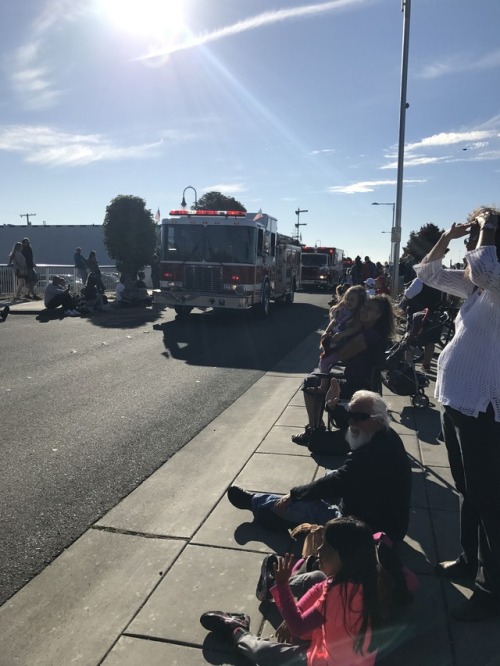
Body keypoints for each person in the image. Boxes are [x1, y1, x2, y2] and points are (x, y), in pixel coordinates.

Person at [414, 207, 500, 622]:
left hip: (485, 407)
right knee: (468, 489)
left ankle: (490, 589)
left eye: (473, 241)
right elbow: (428, 273)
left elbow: (485, 269)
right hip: (457, 400)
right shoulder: (475, 288)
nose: (468, 249)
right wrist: (447, 235)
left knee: (488, 501)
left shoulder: (494, 284)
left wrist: (488, 225)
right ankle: (469, 560)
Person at [228, 390, 411, 543]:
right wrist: (333, 408)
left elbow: (335, 483)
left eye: (359, 417)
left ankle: (256, 503)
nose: (352, 422)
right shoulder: (384, 434)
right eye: (350, 415)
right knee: (328, 476)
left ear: (378, 419)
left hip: (368, 532)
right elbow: (350, 431)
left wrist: (293, 494)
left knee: (308, 502)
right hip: (386, 523)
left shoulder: (371, 455)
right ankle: (276, 510)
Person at [200, 517, 383, 666]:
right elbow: (321, 587)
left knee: (260, 652)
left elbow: (298, 626)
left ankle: (236, 629)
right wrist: (292, 614)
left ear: (345, 556)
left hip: (324, 661)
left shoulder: (339, 594)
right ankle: (270, 588)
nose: (319, 549)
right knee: (318, 576)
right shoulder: (360, 578)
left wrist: (283, 586)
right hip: (334, 640)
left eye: (326, 546)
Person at [292, 295, 395, 445]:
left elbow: (342, 355)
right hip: (361, 379)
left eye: (369, 309)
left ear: (379, 315)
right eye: (364, 307)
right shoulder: (374, 332)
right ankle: (316, 427)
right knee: (317, 377)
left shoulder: (368, 335)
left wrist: (337, 338)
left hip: (357, 383)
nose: (363, 311)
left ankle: (315, 430)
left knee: (310, 382)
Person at [317, 286, 367, 391]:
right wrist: (326, 331)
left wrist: (342, 334)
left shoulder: (358, 315)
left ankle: (323, 386)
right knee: (324, 358)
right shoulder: (342, 310)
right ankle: (323, 383)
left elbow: (355, 328)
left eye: (352, 300)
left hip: (347, 346)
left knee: (324, 361)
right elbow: (334, 321)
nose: (349, 301)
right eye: (347, 298)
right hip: (337, 342)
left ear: (359, 302)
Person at [400, 277, 444, 371]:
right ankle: (426, 365)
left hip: (418, 314)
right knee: (430, 340)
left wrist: (402, 303)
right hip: (433, 313)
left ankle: (408, 367)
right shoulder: (439, 280)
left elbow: (408, 295)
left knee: (411, 340)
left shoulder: (420, 280)